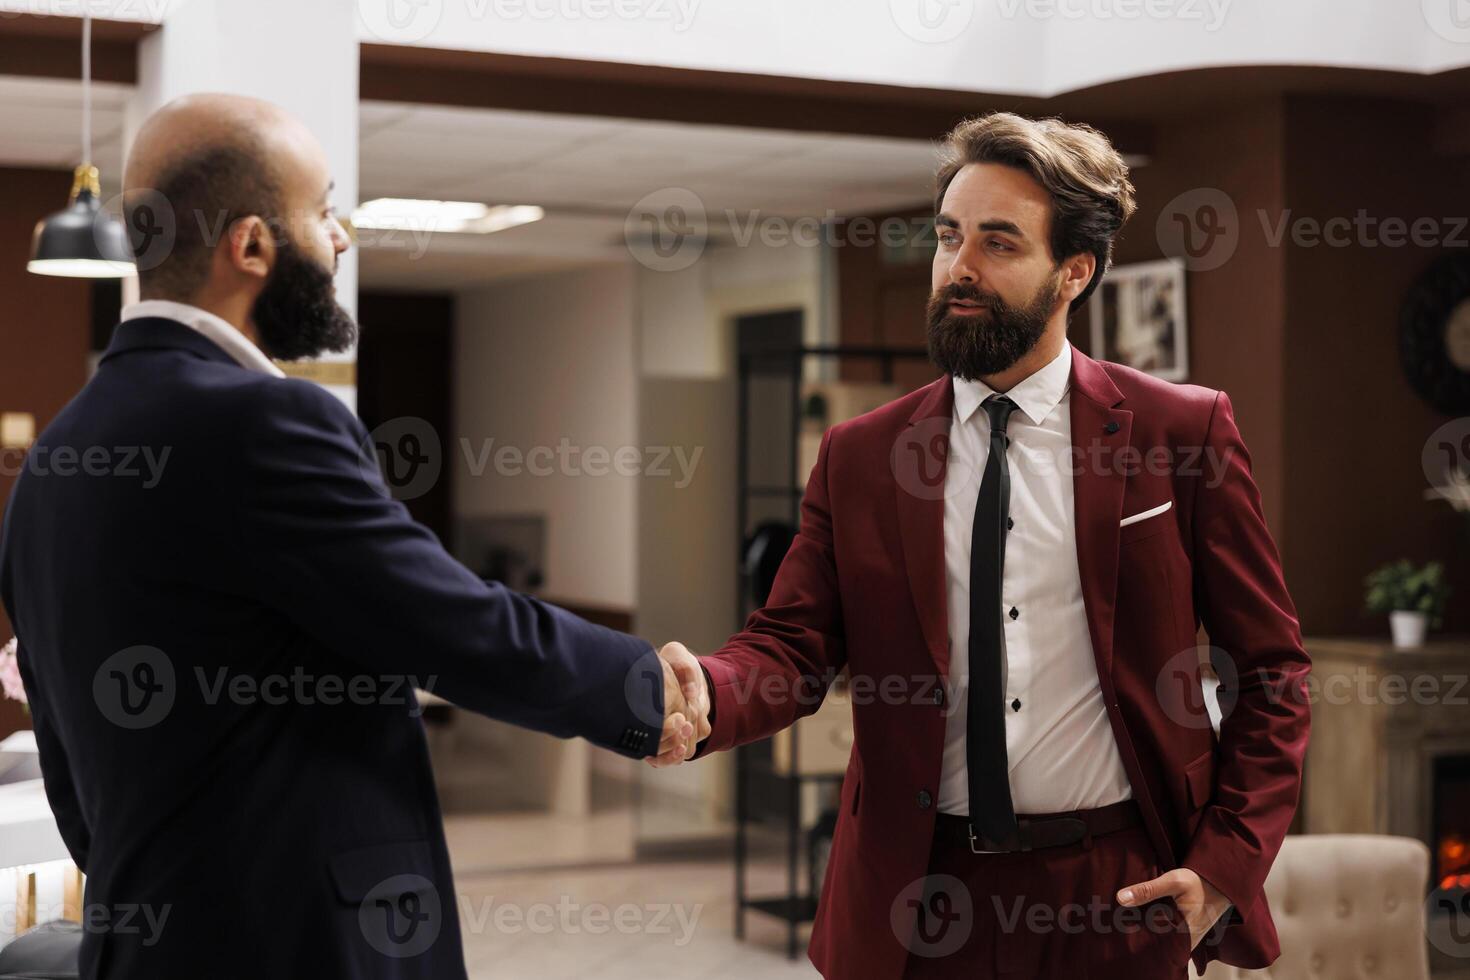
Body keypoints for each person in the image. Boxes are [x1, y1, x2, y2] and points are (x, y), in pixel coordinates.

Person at [0, 93, 709, 979]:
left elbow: (66, 754)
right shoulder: (264, 421)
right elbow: (446, 622)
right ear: (252, 244)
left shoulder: (56, 456)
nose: (340, 239)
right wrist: (642, 686)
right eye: (324, 210)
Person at [654, 111, 1310, 979]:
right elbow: (791, 643)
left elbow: (1272, 670)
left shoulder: (1181, 432)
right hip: (919, 896)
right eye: (949, 237)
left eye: (997, 243)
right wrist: (711, 691)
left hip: (1117, 893)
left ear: (1074, 270)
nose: (957, 267)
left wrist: (1225, 869)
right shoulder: (864, 455)